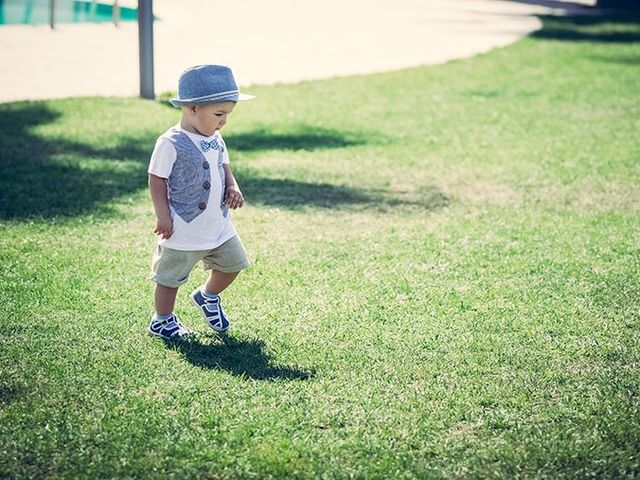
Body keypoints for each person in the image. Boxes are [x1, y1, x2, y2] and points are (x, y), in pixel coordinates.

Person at [147, 65, 254, 339]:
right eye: (219, 114)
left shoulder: (216, 139)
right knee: (169, 278)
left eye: (227, 115)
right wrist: (163, 216)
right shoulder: (170, 142)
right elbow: (156, 180)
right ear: (192, 108)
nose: (223, 122)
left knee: (234, 264)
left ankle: (208, 295)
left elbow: (224, 166)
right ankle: (162, 320)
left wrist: (233, 186)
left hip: (218, 224)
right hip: (183, 226)